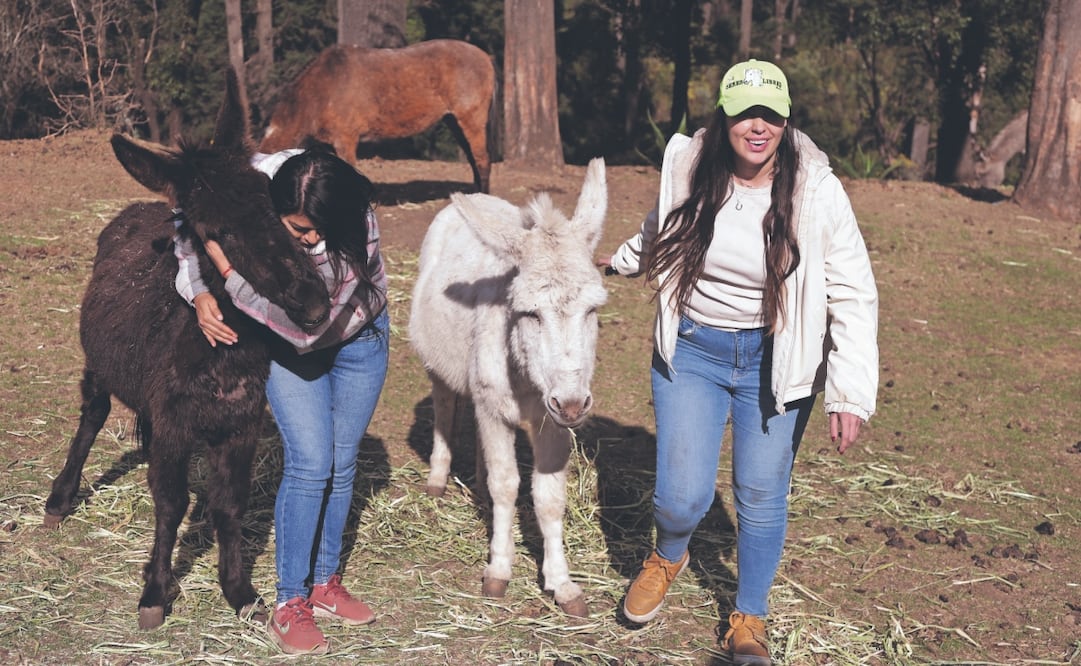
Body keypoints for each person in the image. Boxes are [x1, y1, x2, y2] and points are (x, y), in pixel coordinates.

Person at [600, 59, 878, 665]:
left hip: (775, 362)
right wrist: (621, 261)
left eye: (772, 114)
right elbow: (661, 227)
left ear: (786, 118)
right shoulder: (689, 164)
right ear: (723, 115)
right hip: (694, 352)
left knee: (759, 494)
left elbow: (854, 291)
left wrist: (850, 393)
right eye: (746, 113)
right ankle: (668, 555)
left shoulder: (817, 190)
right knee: (681, 498)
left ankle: (747, 620)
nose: (759, 127)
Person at [174, 147, 389, 655]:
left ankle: (324, 582)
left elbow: (304, 329)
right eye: (299, 230)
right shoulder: (262, 181)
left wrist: (228, 275)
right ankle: (290, 601)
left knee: (342, 460)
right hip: (288, 346)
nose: (311, 239)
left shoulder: (356, 221)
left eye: (321, 231)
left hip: (351, 336)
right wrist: (196, 288)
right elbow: (187, 212)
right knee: (312, 462)